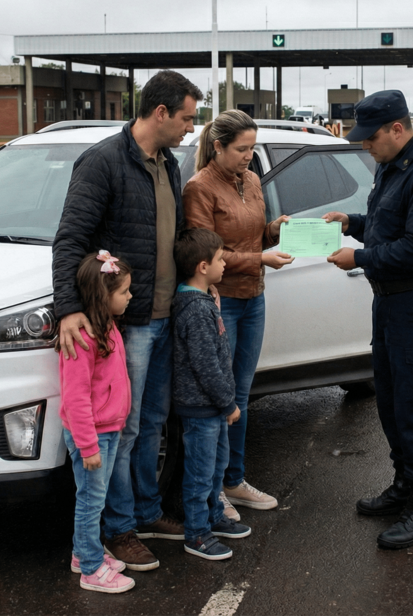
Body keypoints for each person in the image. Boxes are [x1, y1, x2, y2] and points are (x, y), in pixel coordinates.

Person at [53, 70, 204, 571]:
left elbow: (174, 237)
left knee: (152, 425)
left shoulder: (169, 164)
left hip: (163, 317)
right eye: (186, 118)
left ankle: (145, 512)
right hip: (130, 325)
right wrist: (69, 307)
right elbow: (70, 239)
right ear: (160, 112)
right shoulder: (103, 162)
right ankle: (118, 529)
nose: (190, 128)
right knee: (123, 429)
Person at [321, 89, 413, 550]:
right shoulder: (391, 165)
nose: (365, 145)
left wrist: (359, 257)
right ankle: (404, 485)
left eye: (371, 137)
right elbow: (387, 224)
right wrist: (352, 222)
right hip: (390, 304)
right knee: (392, 402)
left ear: (397, 129)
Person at [182, 110, 292, 521]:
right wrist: (260, 258)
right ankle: (214, 491)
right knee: (219, 398)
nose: (249, 156)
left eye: (252, 148)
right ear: (218, 146)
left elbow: (253, 235)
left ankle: (233, 480)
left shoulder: (250, 180)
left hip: (253, 297)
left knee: (241, 396)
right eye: (242, 149)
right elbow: (204, 254)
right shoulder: (199, 188)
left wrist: (274, 231)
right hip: (220, 301)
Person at [171, 228, 253, 560]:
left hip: (213, 408)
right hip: (202, 408)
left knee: (217, 466)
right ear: (203, 267)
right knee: (200, 473)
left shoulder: (203, 301)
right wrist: (228, 403)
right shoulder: (194, 310)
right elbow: (205, 365)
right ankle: (197, 534)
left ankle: (213, 517)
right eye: (220, 259)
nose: (225, 264)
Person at [58, 251, 135, 593]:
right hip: (92, 437)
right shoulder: (83, 339)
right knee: (91, 502)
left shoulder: (109, 327)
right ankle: (91, 569)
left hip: (108, 429)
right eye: (124, 291)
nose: (130, 296)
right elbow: (75, 398)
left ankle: (82, 553)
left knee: (95, 499)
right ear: (104, 296)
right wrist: (88, 446)